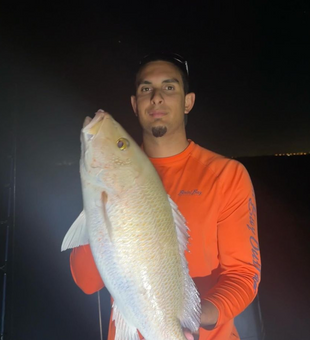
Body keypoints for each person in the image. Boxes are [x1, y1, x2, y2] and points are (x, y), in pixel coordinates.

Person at [70, 52, 261, 340]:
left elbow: (244, 275)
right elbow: (86, 282)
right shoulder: (111, 185)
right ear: (135, 105)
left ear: (188, 102)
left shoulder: (227, 175)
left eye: (169, 87)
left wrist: (195, 318)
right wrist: (98, 207)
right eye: (146, 89)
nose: (156, 97)